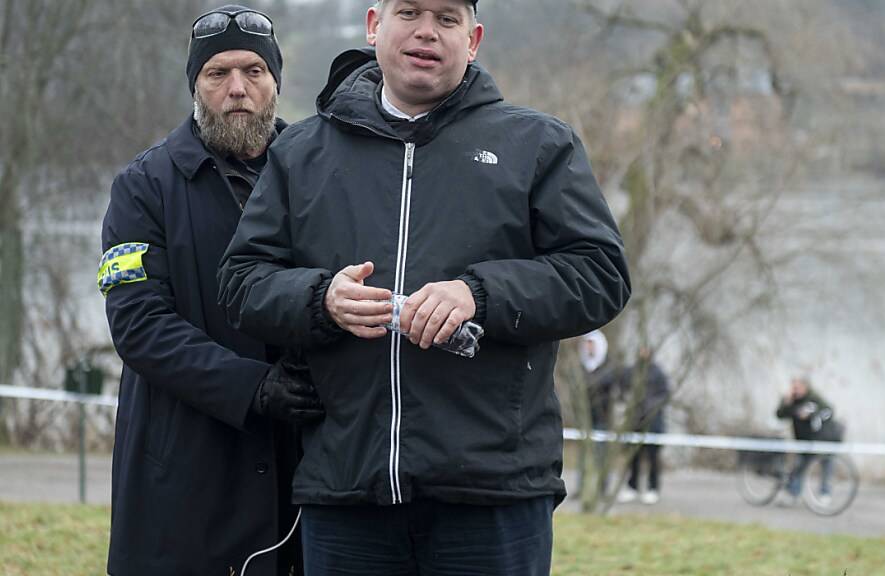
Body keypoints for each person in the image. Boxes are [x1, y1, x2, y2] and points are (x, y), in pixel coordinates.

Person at [217, 0, 631, 574]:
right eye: (409, 11)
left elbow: (601, 273)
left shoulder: (538, 144)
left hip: (495, 497)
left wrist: (479, 294)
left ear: (474, 37)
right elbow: (241, 284)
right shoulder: (301, 152)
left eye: (447, 18)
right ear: (373, 25)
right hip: (345, 492)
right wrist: (321, 299)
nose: (427, 32)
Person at [97, 6, 322, 574]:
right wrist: (252, 388)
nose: (237, 89)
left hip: (303, 477)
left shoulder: (320, 172)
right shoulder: (142, 187)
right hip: (182, 485)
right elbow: (140, 327)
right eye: (217, 74)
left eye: (253, 71)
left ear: (276, 82)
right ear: (195, 85)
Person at [774, 376, 842, 506]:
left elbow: (828, 411)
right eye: (794, 387)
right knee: (799, 467)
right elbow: (780, 415)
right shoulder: (791, 400)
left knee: (827, 465)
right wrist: (786, 401)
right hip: (803, 440)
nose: (796, 390)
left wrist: (811, 415)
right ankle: (793, 494)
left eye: (798, 387)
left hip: (820, 439)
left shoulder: (814, 398)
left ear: (805, 387)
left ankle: (824, 493)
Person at [616, 346, 669, 505]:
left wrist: (649, 407)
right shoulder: (631, 371)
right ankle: (632, 487)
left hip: (653, 422)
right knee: (634, 456)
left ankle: (653, 488)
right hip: (634, 421)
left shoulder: (658, 373)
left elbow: (664, 395)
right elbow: (622, 391)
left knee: (652, 457)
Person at [575, 330, 618, 500]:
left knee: (602, 456)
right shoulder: (581, 367)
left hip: (603, 418)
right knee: (583, 456)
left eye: (592, 345)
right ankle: (581, 488)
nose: (589, 348)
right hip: (585, 418)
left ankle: (603, 489)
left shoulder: (609, 367)